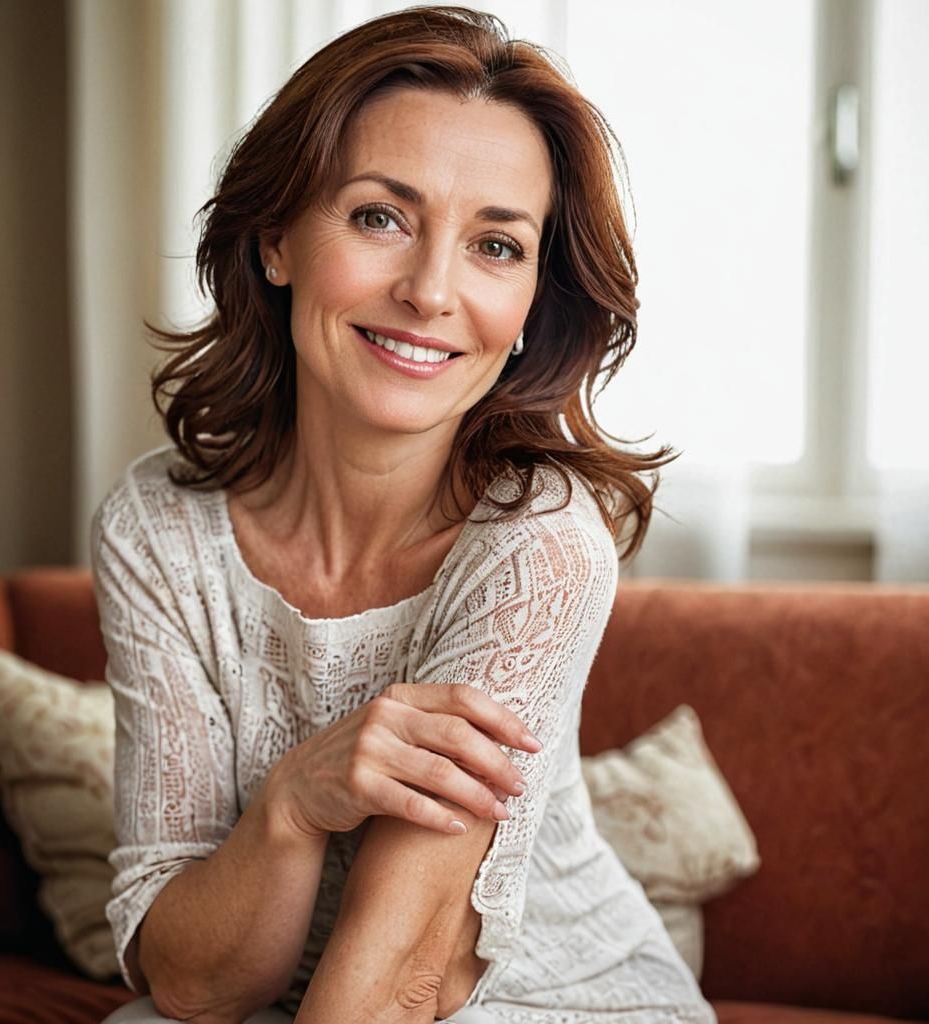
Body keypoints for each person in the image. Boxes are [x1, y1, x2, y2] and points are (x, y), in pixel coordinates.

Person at [94, 6, 716, 1023]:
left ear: (528, 310)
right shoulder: (157, 529)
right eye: (380, 217)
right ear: (275, 239)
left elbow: (404, 978)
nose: (431, 291)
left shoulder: (540, 543)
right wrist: (293, 804)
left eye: (495, 246)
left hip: (541, 1003)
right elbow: (193, 981)